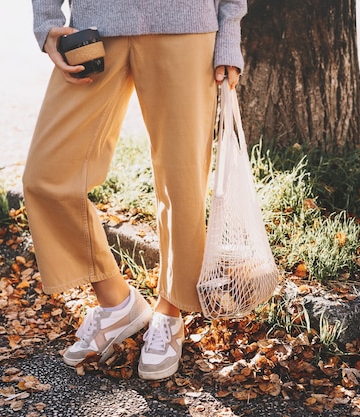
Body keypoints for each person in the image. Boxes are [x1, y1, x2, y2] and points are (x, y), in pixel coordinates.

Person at [23, 0, 246, 380]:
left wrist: (228, 34)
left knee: (183, 183)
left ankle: (170, 310)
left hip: (186, 26)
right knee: (46, 176)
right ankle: (117, 303)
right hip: (95, 31)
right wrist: (46, 22)